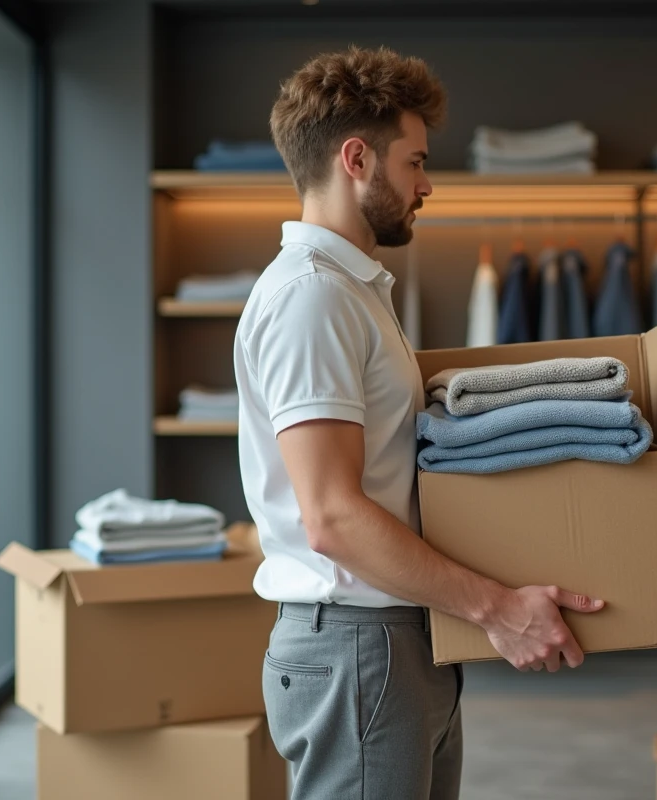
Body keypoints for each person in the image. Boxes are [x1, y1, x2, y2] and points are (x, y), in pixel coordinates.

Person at [233, 46, 605, 800]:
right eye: (415, 162)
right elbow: (332, 517)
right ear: (357, 158)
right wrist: (497, 609)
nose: (427, 184)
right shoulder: (314, 298)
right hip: (359, 646)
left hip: (395, 638)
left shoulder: (353, 290)